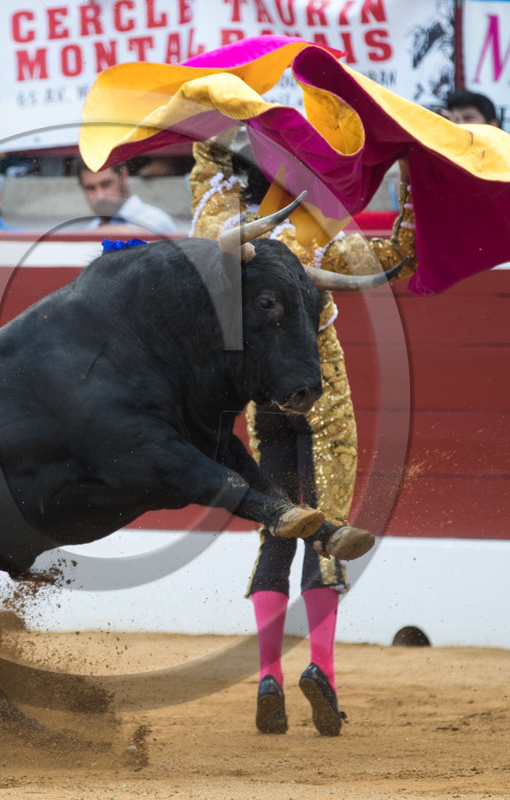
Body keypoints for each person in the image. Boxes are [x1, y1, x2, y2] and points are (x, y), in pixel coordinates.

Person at [190, 131, 415, 737]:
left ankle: (268, 676)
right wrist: (411, 180)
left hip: (264, 395)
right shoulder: (321, 227)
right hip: (320, 387)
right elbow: (397, 258)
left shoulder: (220, 212)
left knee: (278, 526)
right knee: (326, 526)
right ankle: (322, 671)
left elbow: (208, 207)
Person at [75, 159, 177, 236]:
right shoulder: (91, 228)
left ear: (123, 175)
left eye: (106, 184)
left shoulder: (155, 219)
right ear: (81, 187)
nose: (100, 196)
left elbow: (141, 233)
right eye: (90, 188)